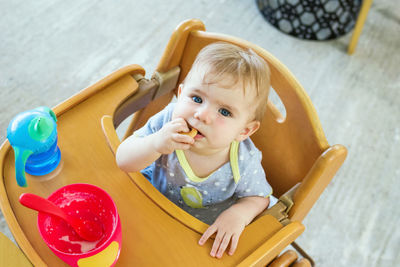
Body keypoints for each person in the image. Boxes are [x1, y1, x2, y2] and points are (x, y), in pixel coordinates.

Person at [116, 42, 274, 259]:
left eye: (225, 112)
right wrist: (155, 143)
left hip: (197, 231)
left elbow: (259, 197)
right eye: (197, 99)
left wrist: (238, 214)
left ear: (245, 130)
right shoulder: (168, 122)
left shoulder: (243, 162)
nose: (202, 115)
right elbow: (123, 160)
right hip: (150, 204)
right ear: (180, 94)